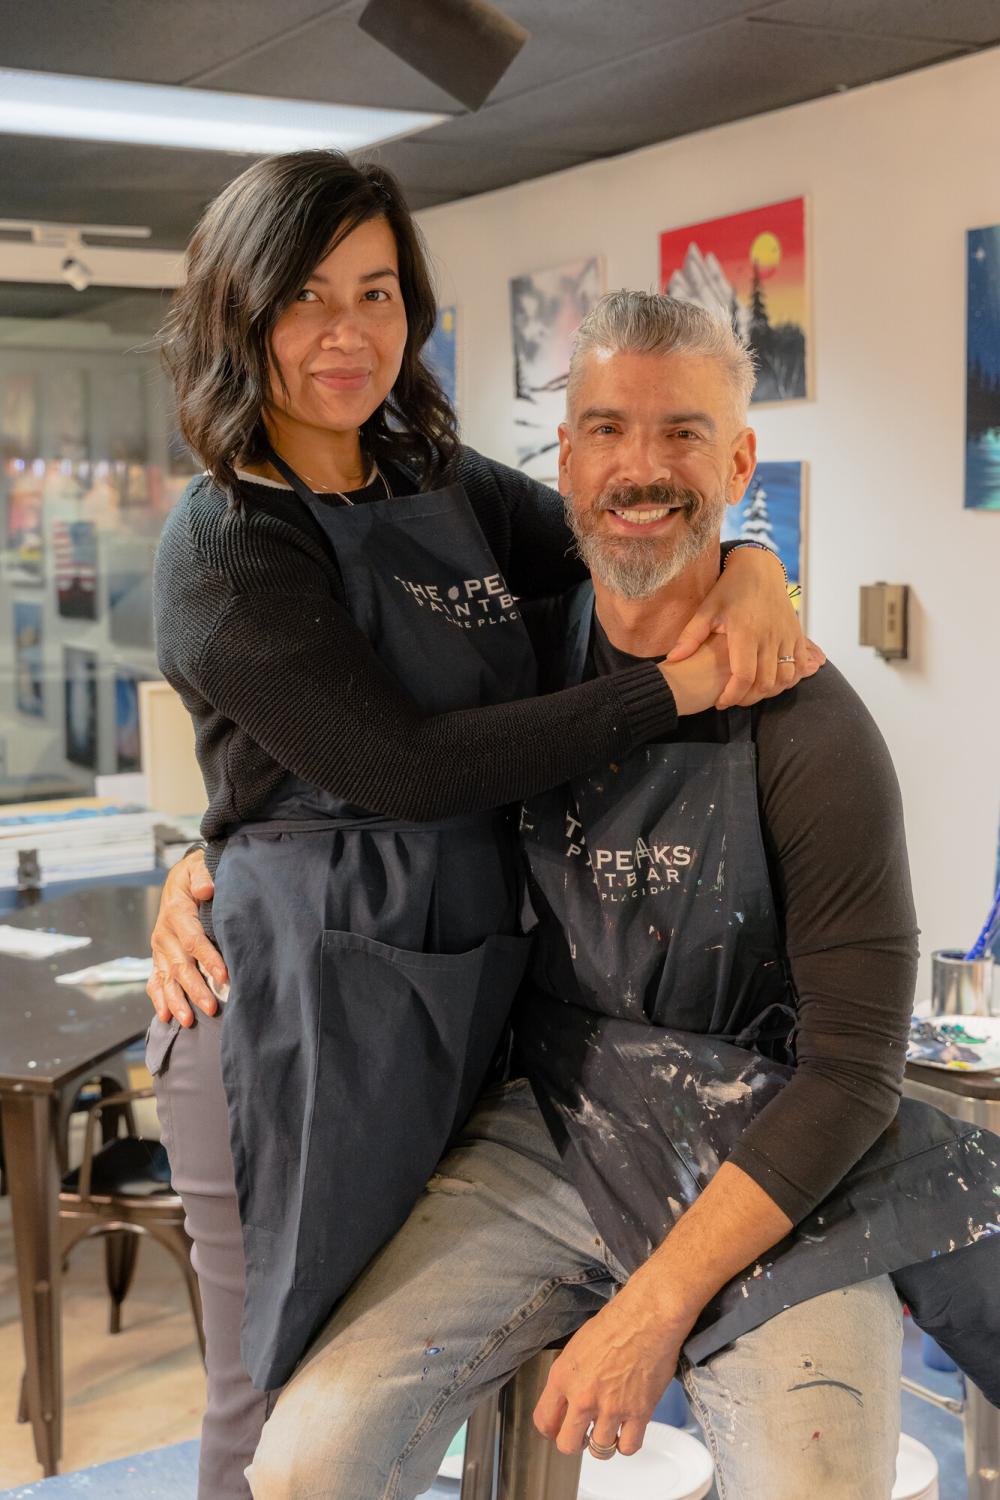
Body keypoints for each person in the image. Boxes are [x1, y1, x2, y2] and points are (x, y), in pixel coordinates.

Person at [234, 293, 999, 1500]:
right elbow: (345, 773)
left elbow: (853, 1075)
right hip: (545, 1122)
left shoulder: (814, 730)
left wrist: (652, 1308)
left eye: (683, 434)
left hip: (769, 1158)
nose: (640, 469)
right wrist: (200, 859)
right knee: (304, 1461)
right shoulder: (503, 669)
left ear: (740, 460)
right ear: (565, 461)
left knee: (820, 1488)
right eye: (605, 430)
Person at [146, 153, 808, 1500]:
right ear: (242, 309)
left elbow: (626, 536)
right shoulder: (224, 541)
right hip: (292, 1013)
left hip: (456, 1005)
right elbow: (399, 765)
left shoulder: (438, 479)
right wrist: (671, 690)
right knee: (281, 1400)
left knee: (418, 1379)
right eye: (307, 296)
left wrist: (752, 559)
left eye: (378, 291)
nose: (350, 333)